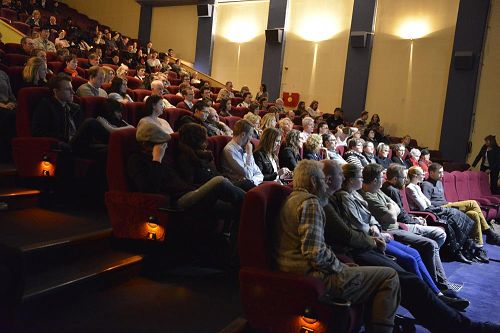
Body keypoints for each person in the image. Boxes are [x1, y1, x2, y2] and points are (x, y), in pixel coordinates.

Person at [323, 161, 499, 332]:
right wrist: (374, 238)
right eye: (340, 175)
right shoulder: (330, 200)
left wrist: (374, 229)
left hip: (367, 244)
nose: (343, 177)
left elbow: (369, 220)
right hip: (356, 252)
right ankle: (462, 326)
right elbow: (348, 234)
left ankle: (444, 301)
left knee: (412, 272)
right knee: (411, 279)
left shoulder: (343, 196)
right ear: (329, 179)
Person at [275, 159, 401, 333]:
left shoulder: (293, 198)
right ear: (313, 181)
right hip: (312, 276)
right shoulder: (311, 203)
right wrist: (339, 267)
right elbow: (315, 253)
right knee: (390, 276)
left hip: (295, 269)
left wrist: (339, 263)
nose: (325, 185)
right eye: (321, 179)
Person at [359, 163, 454, 293]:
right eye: (382, 176)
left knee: (434, 240)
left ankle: (436, 283)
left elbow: (396, 208)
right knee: (429, 245)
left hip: (398, 225)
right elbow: (392, 216)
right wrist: (392, 209)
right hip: (391, 230)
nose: (384, 179)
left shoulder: (378, 190)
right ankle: (436, 286)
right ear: (375, 180)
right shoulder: (368, 195)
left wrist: (392, 209)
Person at [406, 166, 481, 264]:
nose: (424, 175)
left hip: (431, 209)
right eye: (422, 173)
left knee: (463, 215)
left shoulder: (416, 186)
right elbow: (424, 206)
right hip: (426, 213)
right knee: (455, 214)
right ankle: (457, 250)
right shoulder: (410, 188)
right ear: (415, 176)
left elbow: (427, 203)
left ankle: (466, 247)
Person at [175, 123, 245, 221]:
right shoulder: (185, 158)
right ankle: (253, 203)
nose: (206, 141)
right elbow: (188, 184)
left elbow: (214, 174)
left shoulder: (205, 155)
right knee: (222, 183)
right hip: (198, 194)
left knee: (245, 183)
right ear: (195, 140)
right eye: (203, 138)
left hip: (214, 190)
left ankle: (255, 202)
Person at [421, 163, 500, 246]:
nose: (442, 175)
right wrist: (446, 203)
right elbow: (428, 203)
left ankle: (479, 246)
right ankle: (489, 233)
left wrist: (448, 203)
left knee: (474, 214)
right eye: (439, 172)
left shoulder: (439, 182)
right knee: (472, 203)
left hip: (447, 206)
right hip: (439, 209)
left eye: (443, 172)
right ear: (431, 173)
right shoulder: (426, 185)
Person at [31, 74, 109, 156]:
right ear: (56, 91)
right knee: (90, 122)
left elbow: (80, 129)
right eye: (68, 89)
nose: (73, 92)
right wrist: (63, 139)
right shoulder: (46, 106)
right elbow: (39, 133)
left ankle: (114, 143)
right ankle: (115, 140)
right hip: (64, 146)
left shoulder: (75, 107)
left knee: (111, 150)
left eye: (72, 88)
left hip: (80, 144)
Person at [221, 119, 264, 191]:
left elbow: (259, 174)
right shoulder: (229, 150)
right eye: (250, 135)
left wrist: (252, 181)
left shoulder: (245, 148)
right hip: (236, 187)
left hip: (249, 185)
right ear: (243, 134)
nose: (251, 138)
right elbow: (248, 175)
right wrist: (249, 154)